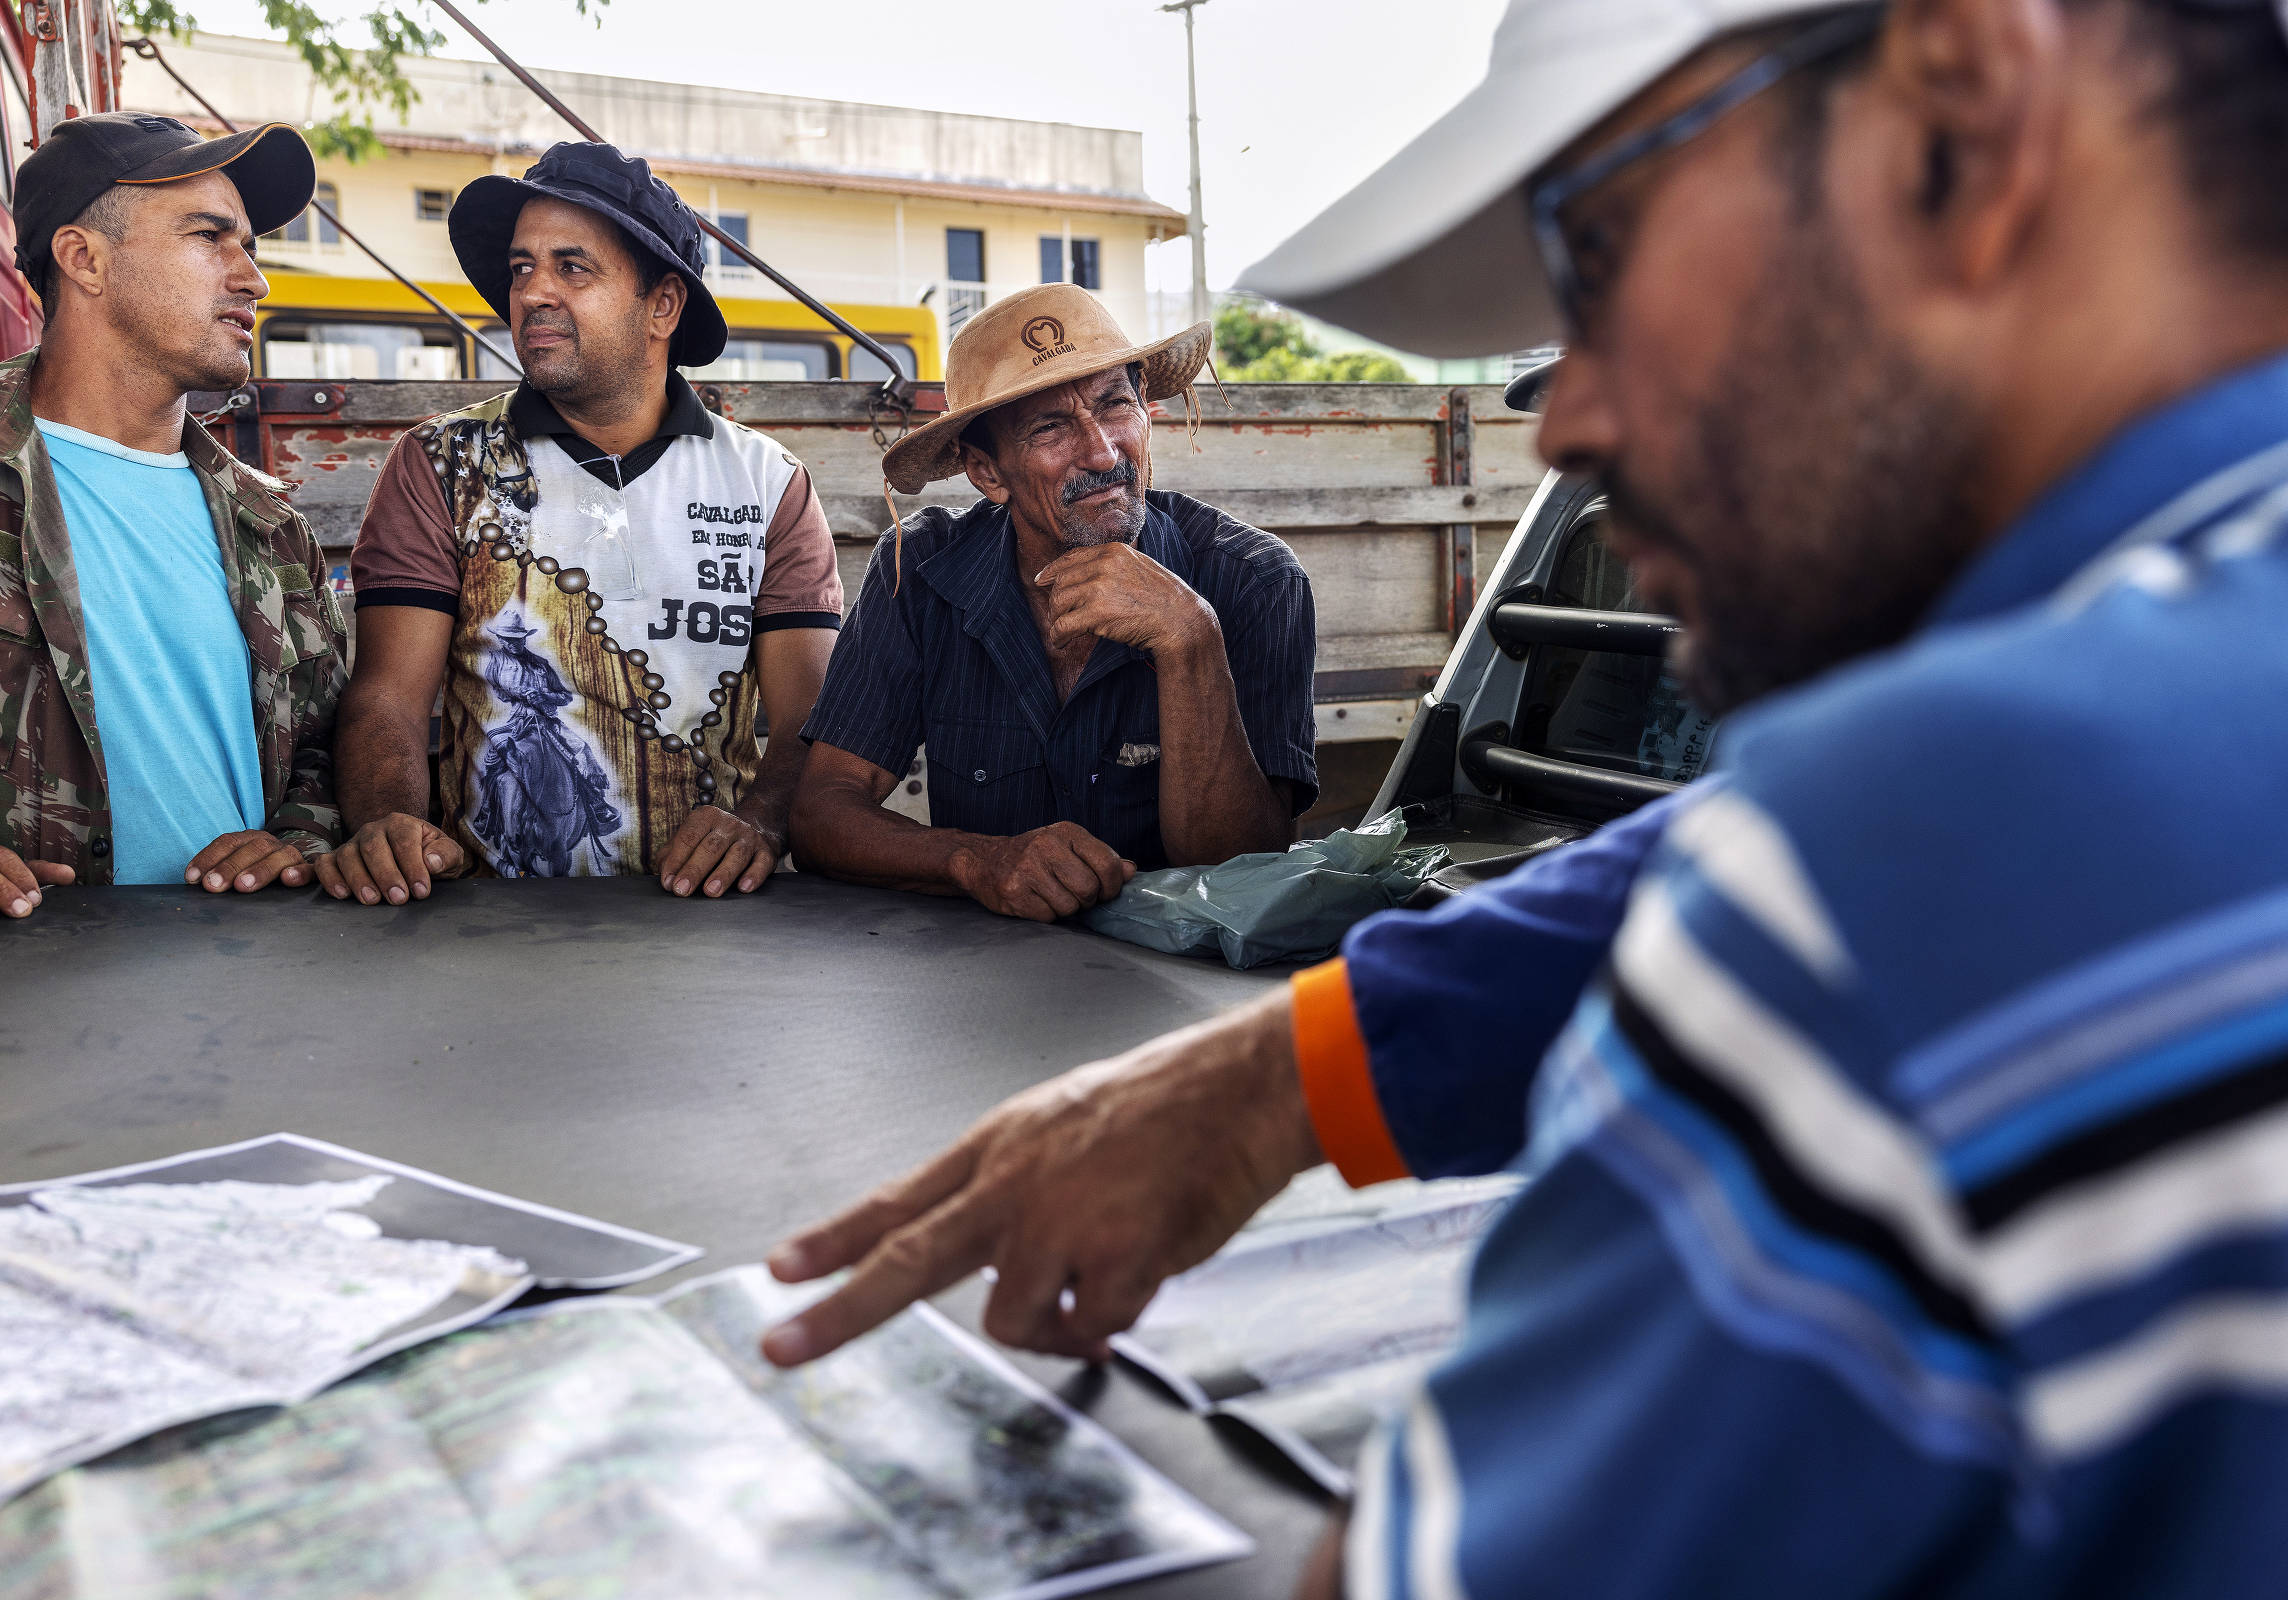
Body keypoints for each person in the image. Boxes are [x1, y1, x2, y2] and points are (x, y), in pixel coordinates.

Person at [761, 0, 2288, 1594]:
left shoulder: (1905, 853)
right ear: (986, 468)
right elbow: (1732, 858)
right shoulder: (2142, 709)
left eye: (1607, 258)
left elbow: (1432, 1568)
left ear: (1963, 108)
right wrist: (1291, 1071)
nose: (1563, 419)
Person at [329, 143, 839, 904]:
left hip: (714, 919)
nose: (533, 292)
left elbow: (812, 716)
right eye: (521, 268)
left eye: (572, 267)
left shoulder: (769, 484)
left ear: (662, 305)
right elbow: (387, 701)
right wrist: (390, 827)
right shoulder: (440, 464)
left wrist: (762, 823)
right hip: (487, 918)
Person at [0, 113, 345, 926]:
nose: (254, 280)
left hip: (255, 996)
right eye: (211, 236)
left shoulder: (271, 525)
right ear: (84, 259)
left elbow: (322, 752)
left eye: (251, 246)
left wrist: (300, 843)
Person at [790, 284, 1318, 923]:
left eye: (1115, 405)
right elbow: (821, 814)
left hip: (1187, 995)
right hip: (988, 981)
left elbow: (1243, 871)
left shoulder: (1252, 579)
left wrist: (1191, 640)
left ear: (1147, 413)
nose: (1102, 452)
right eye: (1050, 427)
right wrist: (977, 860)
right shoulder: (921, 575)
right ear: (987, 474)